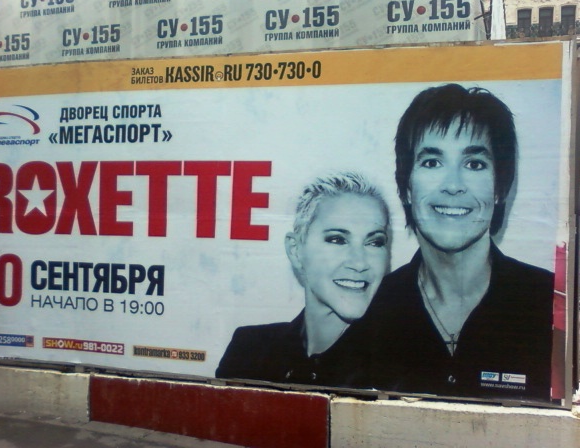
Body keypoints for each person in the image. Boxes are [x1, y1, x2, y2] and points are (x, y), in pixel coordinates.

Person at [367, 84, 553, 400]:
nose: (453, 185)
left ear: (499, 188)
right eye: (432, 162)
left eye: (474, 164)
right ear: (407, 188)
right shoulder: (372, 308)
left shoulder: (549, 303)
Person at [216, 172, 390, 387]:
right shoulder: (249, 349)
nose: (359, 262)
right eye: (337, 239)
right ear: (296, 250)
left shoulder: (399, 364)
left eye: (375, 242)